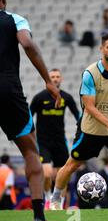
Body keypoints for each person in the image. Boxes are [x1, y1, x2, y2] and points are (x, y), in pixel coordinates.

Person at [50, 34, 108, 210]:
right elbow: (89, 108)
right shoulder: (90, 73)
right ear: (101, 49)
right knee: (72, 165)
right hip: (91, 130)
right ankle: (56, 198)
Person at [0, 0, 61, 221]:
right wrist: (48, 80)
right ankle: (39, 218)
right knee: (30, 152)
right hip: (8, 92)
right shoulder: (15, 19)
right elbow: (27, 44)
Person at [30, 68, 80, 208]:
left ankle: (59, 203)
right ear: (48, 79)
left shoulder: (67, 97)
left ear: (61, 79)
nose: (55, 79)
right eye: (52, 76)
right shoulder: (39, 97)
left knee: (62, 175)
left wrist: (82, 130)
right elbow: (29, 116)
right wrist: (28, 135)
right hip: (43, 142)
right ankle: (47, 198)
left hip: (60, 142)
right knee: (47, 174)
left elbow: (78, 115)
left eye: (58, 76)